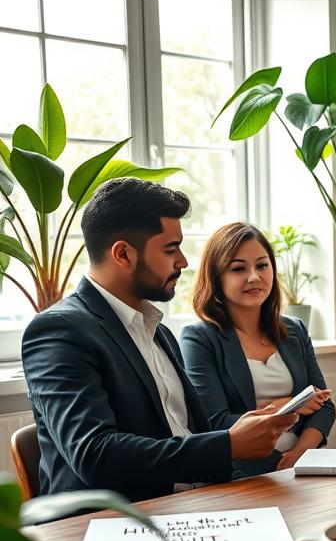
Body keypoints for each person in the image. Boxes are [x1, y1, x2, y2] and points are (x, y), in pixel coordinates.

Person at [21, 177, 298, 501]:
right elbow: (94, 455)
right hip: (110, 525)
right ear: (123, 254)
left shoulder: (160, 332)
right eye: (171, 249)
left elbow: (187, 433)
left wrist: (238, 436)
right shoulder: (58, 331)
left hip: (192, 506)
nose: (182, 261)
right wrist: (228, 443)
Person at [181, 222, 336, 477]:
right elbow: (214, 424)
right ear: (216, 277)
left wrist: (299, 456)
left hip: (302, 463)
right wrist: (286, 406)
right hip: (240, 474)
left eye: (262, 265)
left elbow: (324, 405)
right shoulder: (199, 338)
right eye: (238, 268)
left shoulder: (294, 329)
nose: (254, 277)